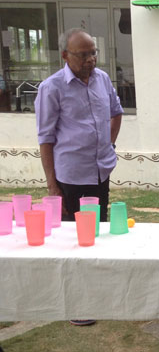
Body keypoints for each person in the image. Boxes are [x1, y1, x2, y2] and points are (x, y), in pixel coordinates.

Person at [36, 28, 123, 223]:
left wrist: (109, 145)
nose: (91, 59)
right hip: (70, 176)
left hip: (101, 172)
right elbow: (45, 138)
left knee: (98, 225)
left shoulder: (102, 79)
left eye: (93, 52)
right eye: (83, 54)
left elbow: (116, 113)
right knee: (71, 232)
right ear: (65, 55)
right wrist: (52, 186)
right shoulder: (51, 88)